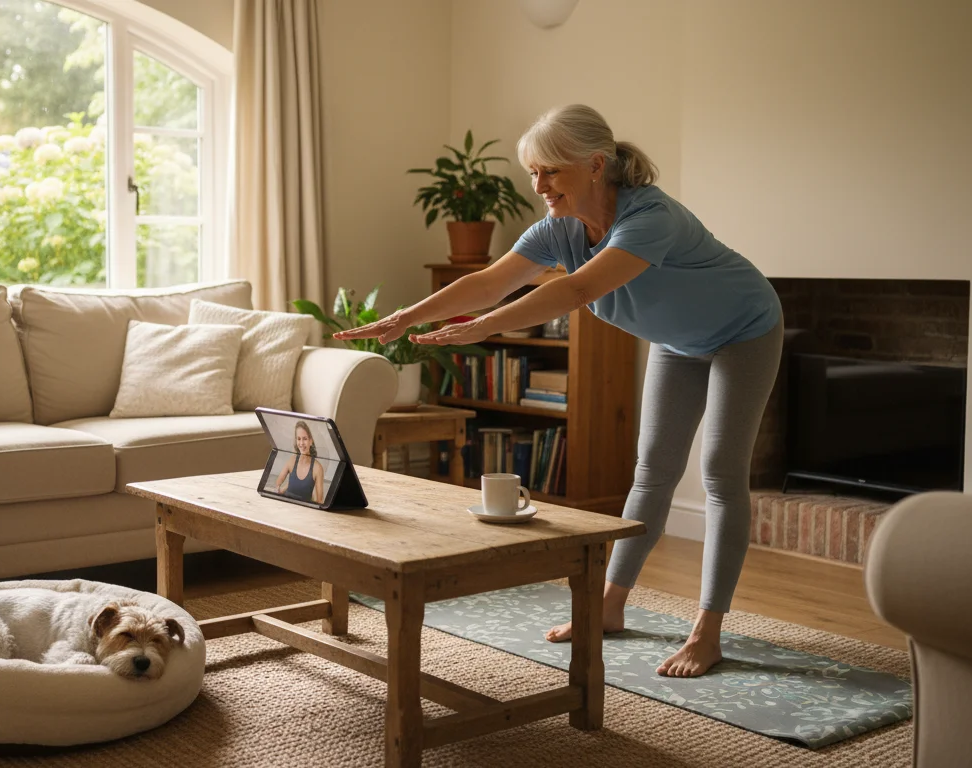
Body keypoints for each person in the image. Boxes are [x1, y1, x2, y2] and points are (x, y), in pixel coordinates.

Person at [335, 104, 782, 678]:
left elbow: (576, 291)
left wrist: (486, 326)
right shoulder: (557, 229)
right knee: (652, 471)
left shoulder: (651, 218)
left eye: (550, 171)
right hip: (678, 342)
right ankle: (610, 607)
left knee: (720, 473)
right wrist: (406, 316)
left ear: (595, 165)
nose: (539, 186)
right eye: (533, 173)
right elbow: (490, 281)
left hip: (745, 329)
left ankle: (707, 629)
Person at [275, 420, 325, 504]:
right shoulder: (292, 460)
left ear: (311, 441)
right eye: (299, 439)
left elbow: (319, 501)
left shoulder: (317, 468)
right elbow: (278, 483)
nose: (301, 443)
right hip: (286, 505)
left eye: (305, 439)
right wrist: (282, 489)